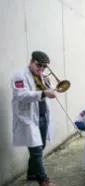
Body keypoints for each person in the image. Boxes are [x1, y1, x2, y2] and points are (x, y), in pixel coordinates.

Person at [11, 51, 56, 186]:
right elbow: (22, 96)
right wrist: (43, 92)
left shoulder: (41, 77)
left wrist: (51, 85)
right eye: (39, 65)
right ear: (31, 61)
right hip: (28, 119)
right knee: (36, 151)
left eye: (44, 67)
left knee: (40, 147)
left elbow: (52, 90)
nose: (41, 69)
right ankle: (43, 180)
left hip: (42, 116)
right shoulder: (19, 76)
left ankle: (31, 172)